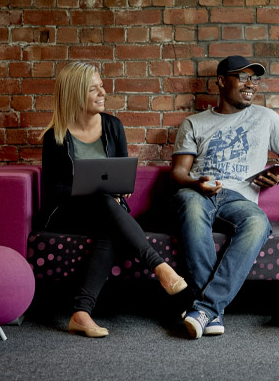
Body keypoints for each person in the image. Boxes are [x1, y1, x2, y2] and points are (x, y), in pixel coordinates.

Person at [40, 62, 187, 338]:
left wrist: (119, 188)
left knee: (109, 222)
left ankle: (81, 312)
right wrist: (92, 188)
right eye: (93, 89)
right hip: (68, 213)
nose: (102, 92)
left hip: (106, 211)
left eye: (101, 86)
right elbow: (55, 190)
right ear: (74, 94)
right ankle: (159, 266)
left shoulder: (112, 125)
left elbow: (120, 175)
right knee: (104, 201)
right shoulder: (55, 137)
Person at [171, 55, 279, 339]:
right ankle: (211, 311)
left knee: (258, 223)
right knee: (191, 208)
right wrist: (197, 183)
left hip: (240, 198)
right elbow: (179, 172)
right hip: (199, 193)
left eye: (254, 78)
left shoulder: (267, 118)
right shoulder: (194, 123)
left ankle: (204, 309)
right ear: (220, 81)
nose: (250, 84)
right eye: (242, 77)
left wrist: (278, 175)